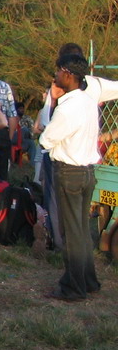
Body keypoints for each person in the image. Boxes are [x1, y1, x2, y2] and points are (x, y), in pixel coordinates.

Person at [40, 53, 102, 302]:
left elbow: (47, 139)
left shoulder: (67, 107)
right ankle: (88, 281)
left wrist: (47, 122)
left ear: (67, 73)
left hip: (69, 172)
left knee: (71, 233)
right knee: (82, 231)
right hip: (87, 172)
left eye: (57, 72)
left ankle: (73, 287)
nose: (55, 77)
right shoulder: (88, 101)